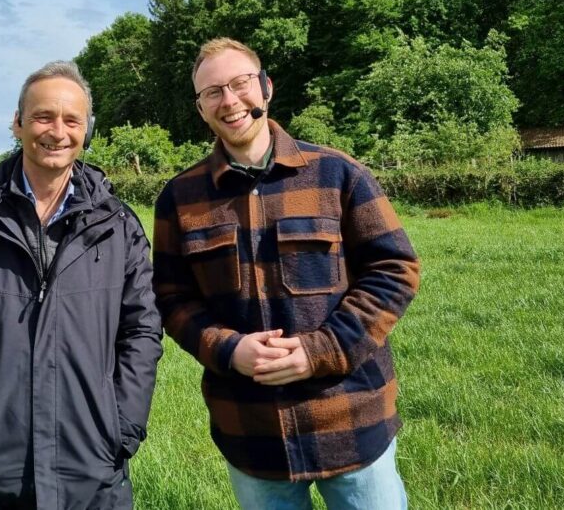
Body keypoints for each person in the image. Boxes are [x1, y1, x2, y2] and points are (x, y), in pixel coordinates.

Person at [152, 38, 420, 510]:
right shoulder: (180, 198)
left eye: (240, 84)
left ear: (266, 88)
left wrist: (323, 350)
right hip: (250, 431)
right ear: (201, 109)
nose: (230, 101)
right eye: (213, 92)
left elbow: (393, 269)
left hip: (352, 421)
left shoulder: (338, 173)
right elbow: (172, 299)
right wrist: (229, 349)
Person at [0, 61, 162, 510]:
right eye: (44, 116)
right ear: (18, 123)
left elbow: (142, 329)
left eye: (72, 120)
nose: (57, 132)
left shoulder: (118, 226)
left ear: (87, 130)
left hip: (93, 467)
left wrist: (120, 427)